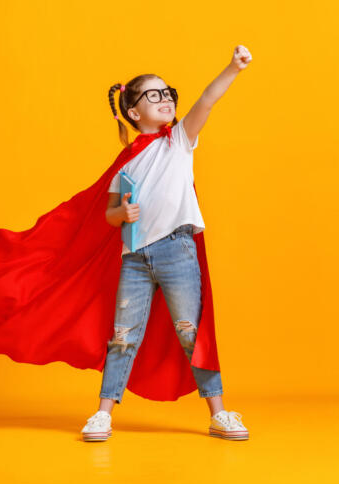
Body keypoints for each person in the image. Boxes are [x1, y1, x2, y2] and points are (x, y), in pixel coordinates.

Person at [81, 45, 253, 442]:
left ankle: (219, 413)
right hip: (135, 259)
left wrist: (232, 68)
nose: (166, 99)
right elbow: (109, 214)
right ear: (134, 112)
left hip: (177, 252)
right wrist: (121, 215)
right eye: (154, 95)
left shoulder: (178, 140)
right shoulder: (125, 164)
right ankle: (103, 413)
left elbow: (206, 101)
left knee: (192, 332)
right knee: (123, 335)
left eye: (168, 92)